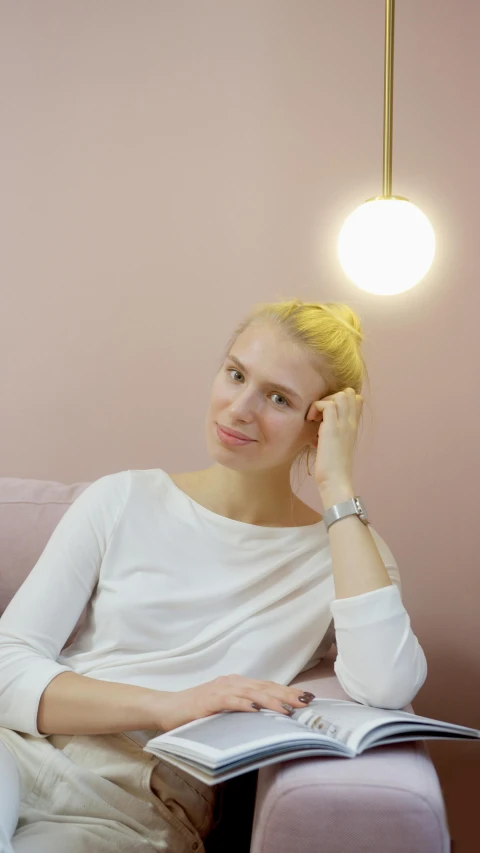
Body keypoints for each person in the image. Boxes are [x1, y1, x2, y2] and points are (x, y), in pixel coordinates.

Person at [0, 298, 427, 853]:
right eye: (235, 374)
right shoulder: (124, 498)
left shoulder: (343, 554)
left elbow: (388, 685)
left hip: (131, 803)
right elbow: (7, 665)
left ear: (317, 424)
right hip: (18, 750)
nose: (240, 408)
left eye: (278, 398)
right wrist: (167, 705)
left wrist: (337, 488)